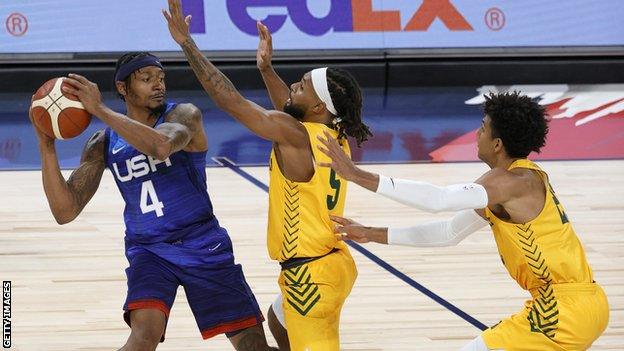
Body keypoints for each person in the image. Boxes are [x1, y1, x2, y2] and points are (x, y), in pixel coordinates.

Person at [317, 91, 609, 350]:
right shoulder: (521, 179)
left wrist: (357, 175)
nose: (476, 134)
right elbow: (448, 232)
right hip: (585, 304)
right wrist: (372, 233)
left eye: (482, 128)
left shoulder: (508, 182)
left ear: (497, 144)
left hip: (560, 310)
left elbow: (438, 200)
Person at [30, 51, 277, 351]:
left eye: (161, 78)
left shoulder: (183, 115)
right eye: (147, 79)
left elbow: (160, 146)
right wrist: (46, 145)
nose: (158, 85)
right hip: (149, 250)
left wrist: (101, 110)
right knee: (142, 337)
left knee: (252, 345)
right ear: (123, 88)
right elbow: (64, 211)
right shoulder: (103, 143)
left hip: (202, 243)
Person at [162, 1, 372, 349]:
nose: (294, 85)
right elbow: (291, 110)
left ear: (319, 106)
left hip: (310, 278)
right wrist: (266, 69)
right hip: (333, 263)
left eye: (302, 85)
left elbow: (230, 101)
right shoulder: (332, 132)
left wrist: (187, 44)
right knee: (277, 319)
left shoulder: (296, 134)